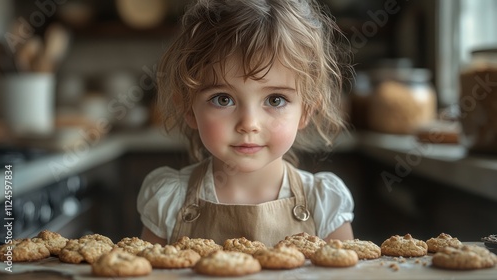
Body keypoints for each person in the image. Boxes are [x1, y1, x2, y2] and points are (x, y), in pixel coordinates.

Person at [137, 0, 354, 247]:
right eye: (223, 99)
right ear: (188, 108)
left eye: (275, 99)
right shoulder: (169, 200)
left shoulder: (323, 203)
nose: (249, 124)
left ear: (306, 111)